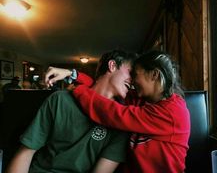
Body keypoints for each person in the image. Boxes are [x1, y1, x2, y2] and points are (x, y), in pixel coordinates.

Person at [45, 50, 191, 173]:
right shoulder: (142, 100)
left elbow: (112, 113)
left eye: (135, 74)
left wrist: (78, 89)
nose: (132, 81)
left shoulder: (173, 112)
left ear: (154, 75)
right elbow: (101, 92)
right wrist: (74, 75)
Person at [5, 50, 135, 173]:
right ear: (112, 65)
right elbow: (26, 151)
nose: (133, 80)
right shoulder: (61, 100)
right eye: (130, 72)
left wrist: (71, 73)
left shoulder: (123, 120)